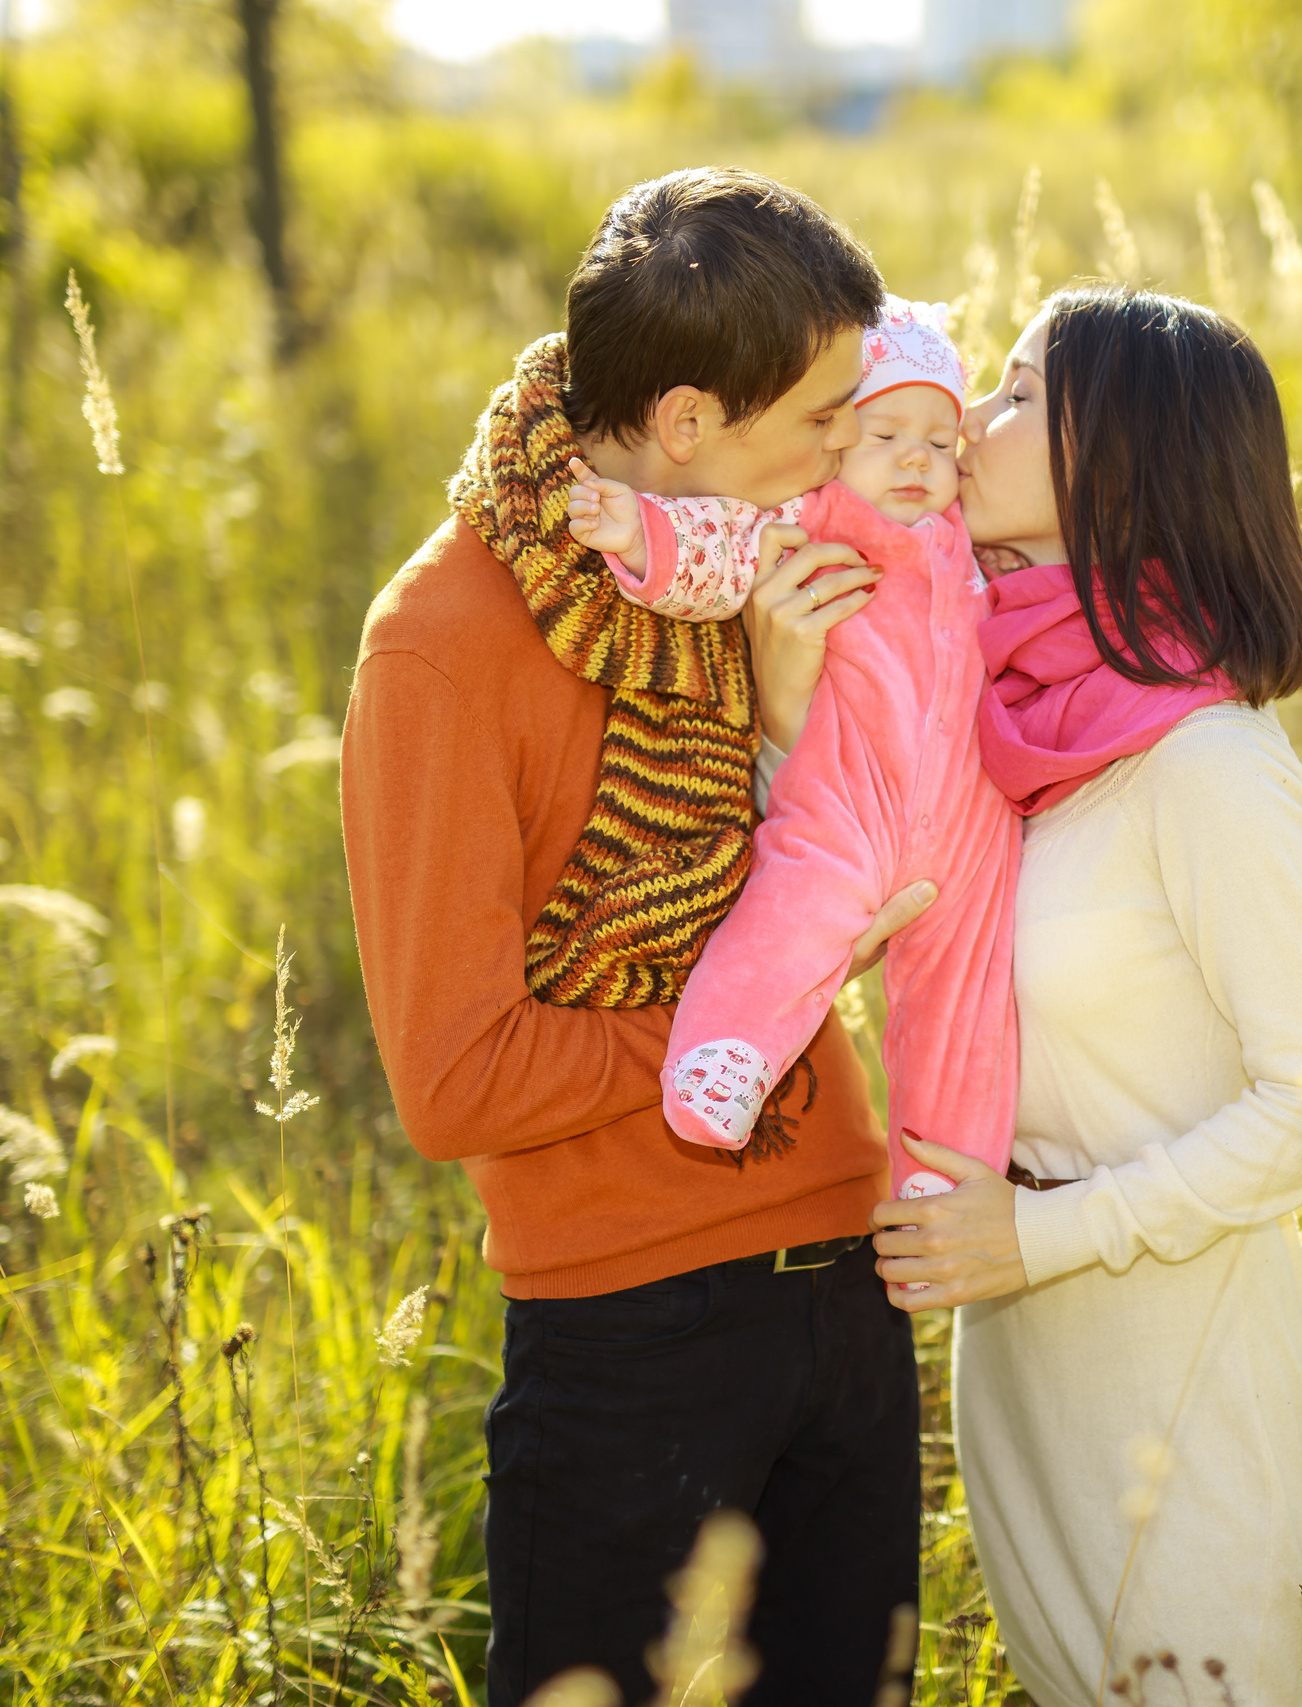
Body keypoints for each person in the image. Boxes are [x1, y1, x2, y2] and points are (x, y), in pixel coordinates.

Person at [338, 167, 934, 1707]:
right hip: (632, 1330)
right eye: (817, 419)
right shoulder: (443, 648)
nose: (843, 452)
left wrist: (791, 723)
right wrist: (758, 1012)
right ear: (683, 422)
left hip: (847, 1283)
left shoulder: (759, 561)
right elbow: (456, 1078)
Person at [859, 287, 1302, 1702]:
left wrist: (1043, 1234)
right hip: (1020, 1352)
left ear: (1132, 461)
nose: (973, 419)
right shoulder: (1006, 721)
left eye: (1024, 392)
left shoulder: (1207, 762)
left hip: (1174, 1355)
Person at [566, 297, 1020, 1202]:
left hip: (972, 828)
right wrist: (638, 532)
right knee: (795, 913)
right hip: (851, 805)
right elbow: (723, 546)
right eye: (886, 432)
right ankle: (725, 1055)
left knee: (966, 993)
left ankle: (943, 1170)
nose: (915, 460)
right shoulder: (820, 519)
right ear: (837, 442)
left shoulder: (973, 541)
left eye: (938, 442)